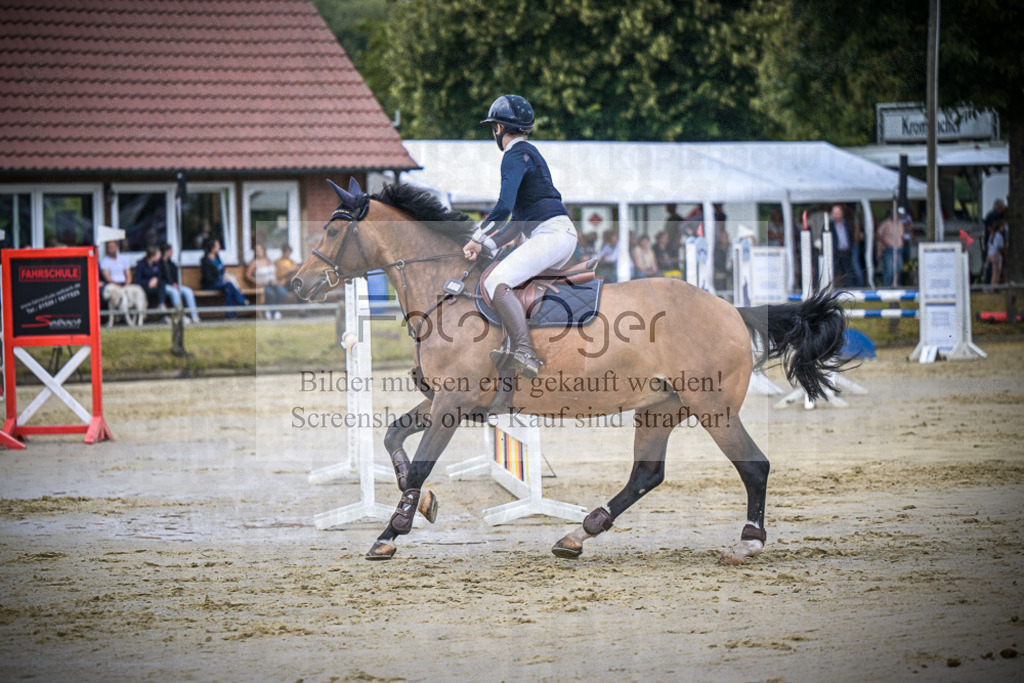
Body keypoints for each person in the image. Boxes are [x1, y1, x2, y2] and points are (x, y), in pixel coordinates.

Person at [462, 94, 578, 379]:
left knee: (495, 281)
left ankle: (525, 351)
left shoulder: (513, 155)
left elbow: (502, 209)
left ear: (498, 128)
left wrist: (476, 237)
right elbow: (518, 222)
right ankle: (518, 342)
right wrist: (488, 245)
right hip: (558, 234)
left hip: (551, 235)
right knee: (514, 285)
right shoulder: (531, 153)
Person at [200, 238, 247, 317]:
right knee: (228, 285)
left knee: (228, 289)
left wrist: (222, 277)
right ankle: (242, 301)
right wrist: (220, 278)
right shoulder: (205, 261)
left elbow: (222, 271)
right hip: (209, 285)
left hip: (220, 284)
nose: (220, 247)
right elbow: (208, 278)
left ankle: (230, 314)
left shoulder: (217, 257)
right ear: (212, 248)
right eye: (218, 246)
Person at [246, 244, 289, 319]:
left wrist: (276, 280)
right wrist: (257, 282)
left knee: (282, 292)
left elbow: (273, 272)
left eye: (260, 250)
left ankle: (275, 310)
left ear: (263, 251)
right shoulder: (254, 263)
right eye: (257, 250)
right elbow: (248, 275)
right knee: (271, 294)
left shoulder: (268, 260)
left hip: (273, 282)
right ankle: (269, 310)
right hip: (263, 284)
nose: (258, 252)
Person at [159, 243, 199, 323]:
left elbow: (175, 277)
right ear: (165, 251)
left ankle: (194, 316)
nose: (172, 252)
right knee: (175, 292)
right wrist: (171, 283)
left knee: (188, 291)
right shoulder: (159, 264)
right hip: (164, 286)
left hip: (174, 285)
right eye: (170, 250)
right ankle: (181, 316)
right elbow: (161, 278)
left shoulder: (172, 264)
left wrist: (175, 283)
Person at [875, 210, 906, 288]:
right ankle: (887, 287)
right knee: (889, 270)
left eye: (898, 215)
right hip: (888, 249)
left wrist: (902, 243)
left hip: (898, 249)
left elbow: (902, 235)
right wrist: (884, 243)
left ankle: (897, 286)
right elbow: (878, 234)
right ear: (891, 215)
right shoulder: (885, 223)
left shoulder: (900, 224)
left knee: (897, 269)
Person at [134, 245, 167, 311]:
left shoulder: (157, 264)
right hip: (144, 287)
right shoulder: (141, 264)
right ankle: (162, 310)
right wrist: (148, 282)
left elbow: (160, 276)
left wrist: (156, 279)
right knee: (160, 290)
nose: (159, 257)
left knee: (162, 284)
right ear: (152, 257)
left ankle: (161, 305)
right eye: (158, 255)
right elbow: (137, 280)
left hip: (155, 286)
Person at [829, 204, 855, 288]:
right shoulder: (829, 226)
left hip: (846, 252)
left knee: (848, 272)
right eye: (835, 212)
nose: (837, 214)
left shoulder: (847, 224)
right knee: (833, 271)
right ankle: (830, 288)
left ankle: (850, 290)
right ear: (832, 214)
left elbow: (851, 236)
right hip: (835, 253)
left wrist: (850, 247)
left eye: (838, 212)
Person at [986, 217, 1006, 293]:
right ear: (999, 227)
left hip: (990, 254)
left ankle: (994, 287)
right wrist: (1004, 252)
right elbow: (999, 246)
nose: (1003, 228)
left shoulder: (991, 235)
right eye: (1002, 227)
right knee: (995, 272)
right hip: (995, 254)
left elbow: (988, 245)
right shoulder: (999, 236)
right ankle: (993, 288)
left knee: (995, 272)